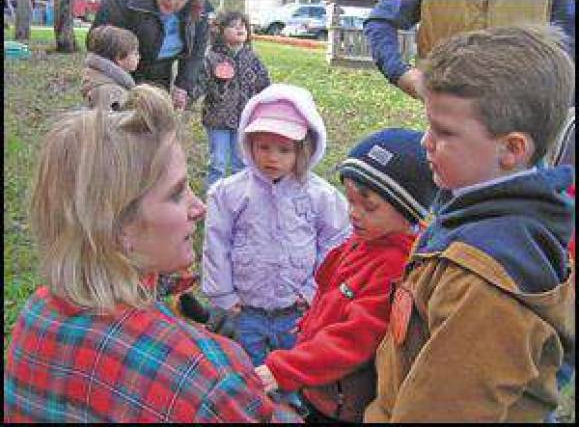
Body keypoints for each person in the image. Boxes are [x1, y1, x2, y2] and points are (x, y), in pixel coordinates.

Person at [3, 84, 302, 423]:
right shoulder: (208, 378)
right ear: (116, 228)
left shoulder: (38, 312)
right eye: (176, 194)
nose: (199, 207)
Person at [364, 25, 575, 423]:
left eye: (444, 132)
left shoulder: (483, 282)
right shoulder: (475, 204)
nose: (425, 142)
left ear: (511, 149)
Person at [254, 128, 438, 423]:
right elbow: (331, 290)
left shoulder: (393, 267)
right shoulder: (366, 238)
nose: (354, 213)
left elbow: (355, 339)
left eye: (368, 205)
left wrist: (285, 368)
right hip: (319, 381)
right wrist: (309, 323)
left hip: (341, 403)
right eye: (350, 200)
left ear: (409, 210)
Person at [201, 83, 352, 370]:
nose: (272, 157)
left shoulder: (320, 195)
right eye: (264, 147)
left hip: (295, 309)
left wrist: (312, 291)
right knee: (245, 367)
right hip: (245, 307)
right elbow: (216, 243)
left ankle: (292, 408)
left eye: (284, 150)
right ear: (249, 144)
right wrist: (222, 293)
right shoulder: (230, 193)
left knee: (293, 368)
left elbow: (335, 243)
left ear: (303, 149)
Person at [364, 0, 576, 100]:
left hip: (521, 113)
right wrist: (403, 75)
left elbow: (567, 47)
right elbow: (380, 21)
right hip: (447, 113)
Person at [190, 10, 270, 188]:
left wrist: (270, 106)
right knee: (217, 162)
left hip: (245, 120)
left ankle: (239, 196)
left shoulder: (252, 58)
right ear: (220, 31)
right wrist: (187, 99)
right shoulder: (211, 58)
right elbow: (200, 84)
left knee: (241, 162)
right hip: (217, 119)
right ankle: (214, 196)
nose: (240, 29)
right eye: (233, 26)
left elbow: (264, 85)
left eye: (243, 26)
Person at [90, 0, 213, 110]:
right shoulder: (121, 2)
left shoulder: (200, 10)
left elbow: (196, 53)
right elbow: (97, 41)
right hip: (116, 72)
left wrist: (183, 85)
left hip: (160, 74)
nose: (171, 1)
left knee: (153, 124)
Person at [81, 25, 139, 110]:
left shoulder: (104, 80)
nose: (139, 57)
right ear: (119, 57)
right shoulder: (110, 92)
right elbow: (107, 121)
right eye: (135, 53)